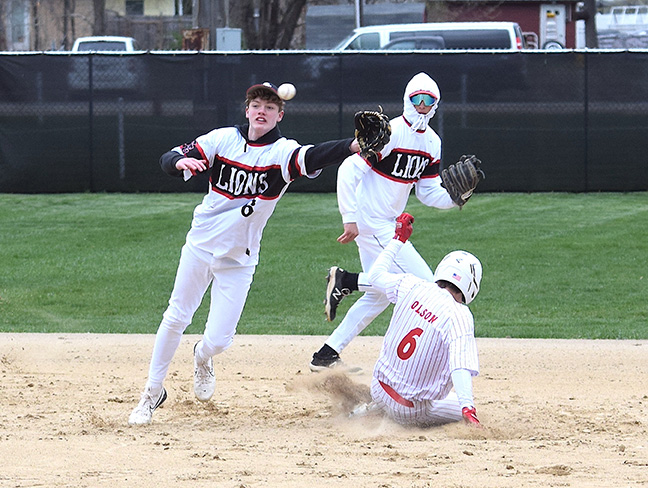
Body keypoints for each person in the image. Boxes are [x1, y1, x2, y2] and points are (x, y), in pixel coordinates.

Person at [129, 82, 360, 425]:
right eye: (256, 104)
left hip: (239, 259)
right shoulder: (222, 140)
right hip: (201, 245)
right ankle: (152, 392)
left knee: (220, 340)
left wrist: (352, 145)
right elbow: (169, 156)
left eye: (270, 106)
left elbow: (314, 155)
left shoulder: (282, 152)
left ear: (279, 115)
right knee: (175, 316)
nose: (262, 110)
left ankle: (203, 357)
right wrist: (180, 163)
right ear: (247, 110)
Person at [310, 72, 461, 372]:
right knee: (426, 286)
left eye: (427, 100)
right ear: (407, 99)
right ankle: (346, 280)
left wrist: (455, 198)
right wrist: (349, 218)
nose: (421, 105)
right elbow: (348, 170)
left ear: (435, 105)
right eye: (416, 98)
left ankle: (326, 355)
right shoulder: (390, 132)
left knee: (379, 296)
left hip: (387, 223)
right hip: (372, 220)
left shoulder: (432, 142)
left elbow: (429, 192)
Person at [350, 213, 483, 427]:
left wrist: (398, 240)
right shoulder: (460, 315)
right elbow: (461, 367)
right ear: (472, 286)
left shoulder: (412, 284)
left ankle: (375, 408)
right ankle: (384, 413)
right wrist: (468, 408)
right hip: (409, 411)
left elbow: (374, 277)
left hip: (378, 388)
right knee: (457, 408)